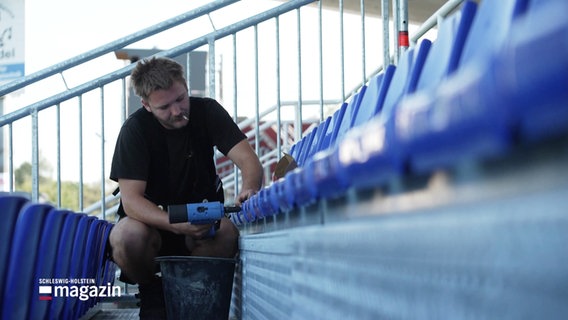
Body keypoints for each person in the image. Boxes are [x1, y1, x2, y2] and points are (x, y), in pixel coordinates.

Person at [108, 57, 263, 319]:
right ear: (146, 105)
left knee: (226, 232)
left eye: (181, 98)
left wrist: (250, 187)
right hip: (152, 225)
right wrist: (172, 223)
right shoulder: (134, 130)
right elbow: (131, 201)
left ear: (186, 87)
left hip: (201, 219)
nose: (177, 110)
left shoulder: (208, 111)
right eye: (165, 106)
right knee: (125, 238)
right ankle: (152, 291)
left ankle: (192, 294)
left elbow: (250, 162)